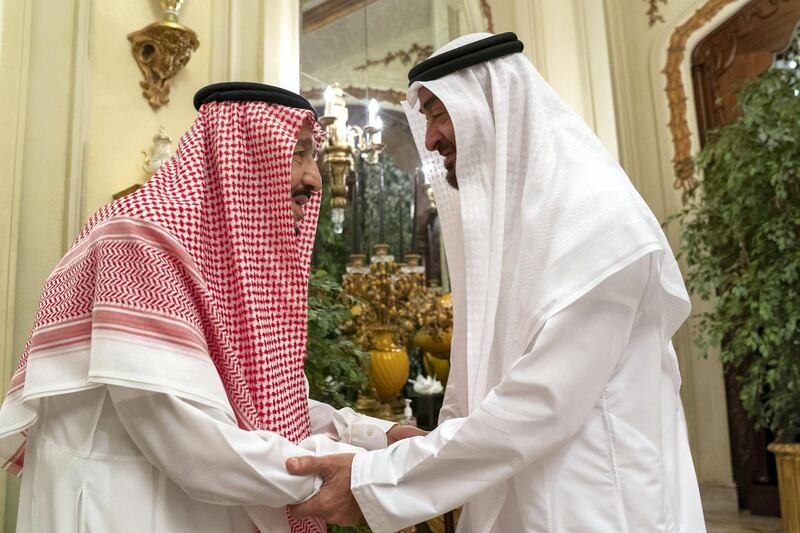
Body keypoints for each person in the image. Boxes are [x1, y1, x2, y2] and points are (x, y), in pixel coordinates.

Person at [286, 33, 707, 533]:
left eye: (441, 113)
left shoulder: (598, 225)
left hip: (599, 506)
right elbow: (480, 389)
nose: (432, 137)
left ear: (493, 107)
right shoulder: (518, 231)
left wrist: (377, 480)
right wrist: (406, 448)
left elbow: (539, 405)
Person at [0, 82, 418, 533]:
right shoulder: (138, 239)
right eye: (298, 153)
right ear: (244, 154)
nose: (314, 178)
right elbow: (192, 443)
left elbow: (260, 399)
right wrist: (363, 475)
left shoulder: (206, 251)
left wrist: (377, 436)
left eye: (313, 156)